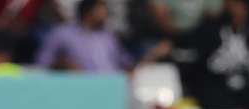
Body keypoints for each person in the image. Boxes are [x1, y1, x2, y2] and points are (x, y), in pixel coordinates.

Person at [36, 0, 171, 72]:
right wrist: (62, 64)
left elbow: (126, 65)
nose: (106, 12)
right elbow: (42, 64)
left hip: (109, 91)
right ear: (90, 10)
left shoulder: (108, 37)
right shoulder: (62, 33)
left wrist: (151, 56)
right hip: (76, 91)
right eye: (102, 8)